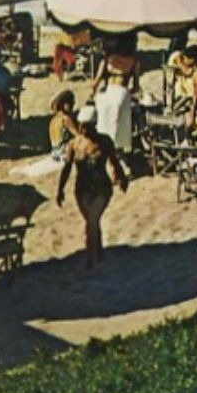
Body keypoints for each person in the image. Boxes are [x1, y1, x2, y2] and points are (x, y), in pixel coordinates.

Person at [56, 105, 129, 270]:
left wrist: (122, 178)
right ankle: (99, 251)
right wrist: (60, 189)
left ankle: (91, 257)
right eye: (80, 125)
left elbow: (114, 162)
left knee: (92, 220)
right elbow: (67, 168)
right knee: (92, 221)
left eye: (85, 126)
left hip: (101, 188)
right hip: (82, 190)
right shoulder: (74, 145)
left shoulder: (104, 142)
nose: (81, 129)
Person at [48, 90, 81, 159]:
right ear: (64, 104)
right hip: (64, 151)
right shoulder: (65, 119)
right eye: (71, 102)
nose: (73, 104)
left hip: (54, 151)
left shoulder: (53, 120)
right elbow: (77, 135)